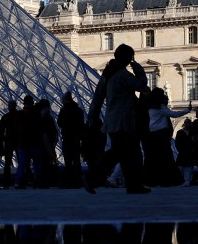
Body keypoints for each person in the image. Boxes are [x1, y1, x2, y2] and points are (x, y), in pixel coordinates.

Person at [86, 44, 150, 194]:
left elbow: (97, 99)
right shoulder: (122, 74)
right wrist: (139, 69)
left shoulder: (107, 75)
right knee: (129, 154)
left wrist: (92, 117)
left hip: (112, 121)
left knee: (121, 153)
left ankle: (131, 184)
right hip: (124, 121)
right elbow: (141, 85)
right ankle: (94, 178)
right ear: (127, 58)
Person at [144, 88, 189, 186]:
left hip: (153, 134)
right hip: (161, 134)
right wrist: (187, 110)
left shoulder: (150, 107)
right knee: (167, 158)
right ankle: (175, 180)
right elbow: (174, 114)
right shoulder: (160, 107)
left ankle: (153, 180)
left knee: (154, 158)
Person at [57, 93, 85, 187]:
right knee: (77, 160)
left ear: (65, 100)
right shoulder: (79, 110)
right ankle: (78, 181)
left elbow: (59, 123)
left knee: (68, 161)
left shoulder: (64, 110)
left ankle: (69, 181)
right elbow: (82, 125)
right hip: (76, 138)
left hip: (67, 138)